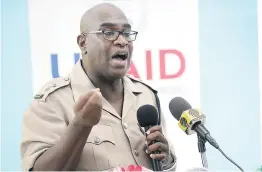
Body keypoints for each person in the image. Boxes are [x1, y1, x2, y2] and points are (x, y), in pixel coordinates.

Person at [20, 3, 176, 171]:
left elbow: (164, 166)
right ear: (83, 43)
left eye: (126, 33)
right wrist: (80, 125)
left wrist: (166, 159)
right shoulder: (52, 101)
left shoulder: (145, 94)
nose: (122, 41)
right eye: (109, 33)